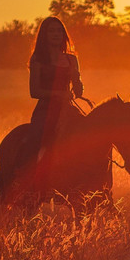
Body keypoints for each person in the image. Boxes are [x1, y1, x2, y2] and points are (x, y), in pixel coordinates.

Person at [20, 16, 83, 177]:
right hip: (45, 109)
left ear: (63, 34)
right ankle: (29, 178)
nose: (56, 34)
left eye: (59, 31)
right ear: (44, 35)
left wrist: (76, 78)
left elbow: (79, 92)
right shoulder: (37, 59)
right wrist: (59, 94)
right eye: (51, 31)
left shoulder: (72, 59)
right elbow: (34, 92)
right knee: (36, 140)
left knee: (88, 134)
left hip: (67, 109)